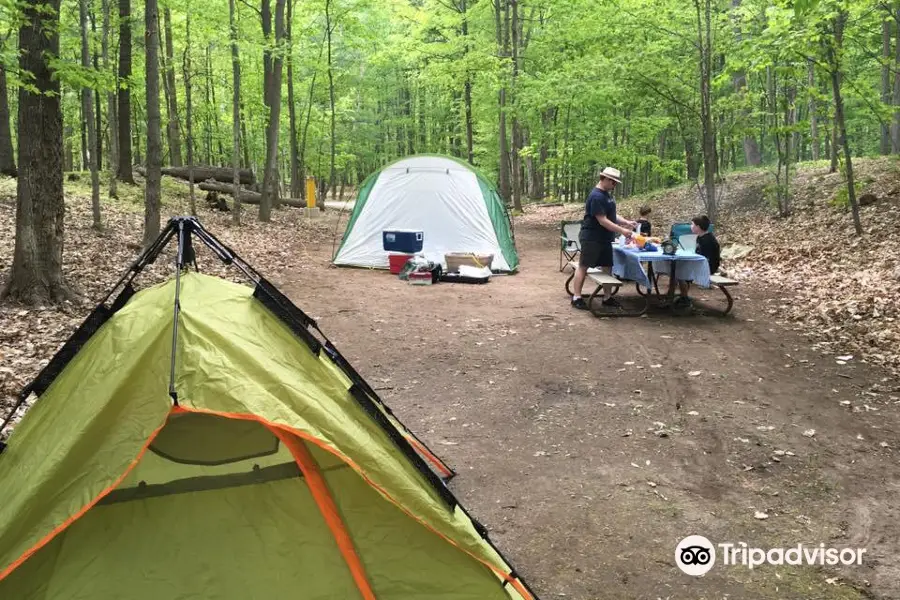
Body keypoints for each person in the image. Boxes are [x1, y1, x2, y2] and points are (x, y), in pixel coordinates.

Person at [571, 167, 637, 310]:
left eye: (616, 182)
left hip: (605, 238)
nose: (615, 185)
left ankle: (607, 297)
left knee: (607, 266)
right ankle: (576, 297)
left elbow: (611, 215)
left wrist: (626, 222)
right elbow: (602, 220)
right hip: (592, 237)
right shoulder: (596, 196)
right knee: (584, 266)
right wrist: (622, 231)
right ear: (605, 179)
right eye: (613, 182)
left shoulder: (607, 195)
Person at [677, 215, 721, 305]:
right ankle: (681, 296)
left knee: (679, 272)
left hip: (708, 267)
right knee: (678, 270)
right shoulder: (700, 237)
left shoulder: (708, 240)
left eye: (692, 224)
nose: (690, 226)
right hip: (702, 264)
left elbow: (705, 258)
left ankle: (684, 299)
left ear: (698, 227)